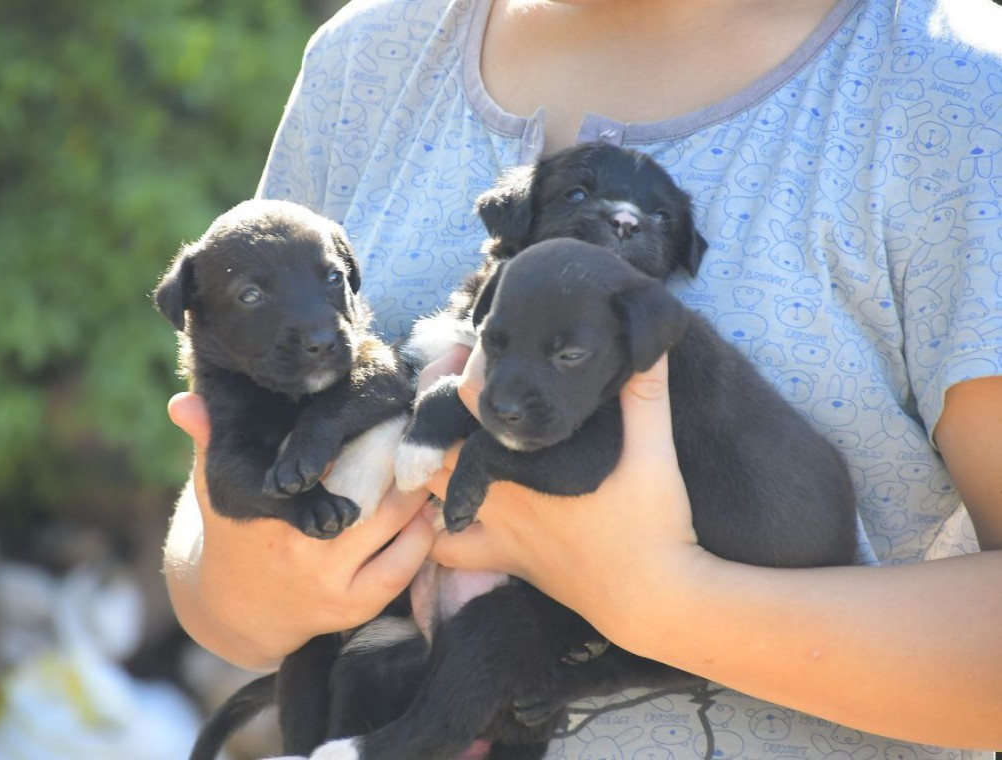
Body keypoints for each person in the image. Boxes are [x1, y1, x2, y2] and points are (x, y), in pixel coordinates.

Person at [164, 0, 1002, 756]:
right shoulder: (368, 55)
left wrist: (667, 602)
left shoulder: (952, 96)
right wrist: (249, 585)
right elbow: (218, 571)